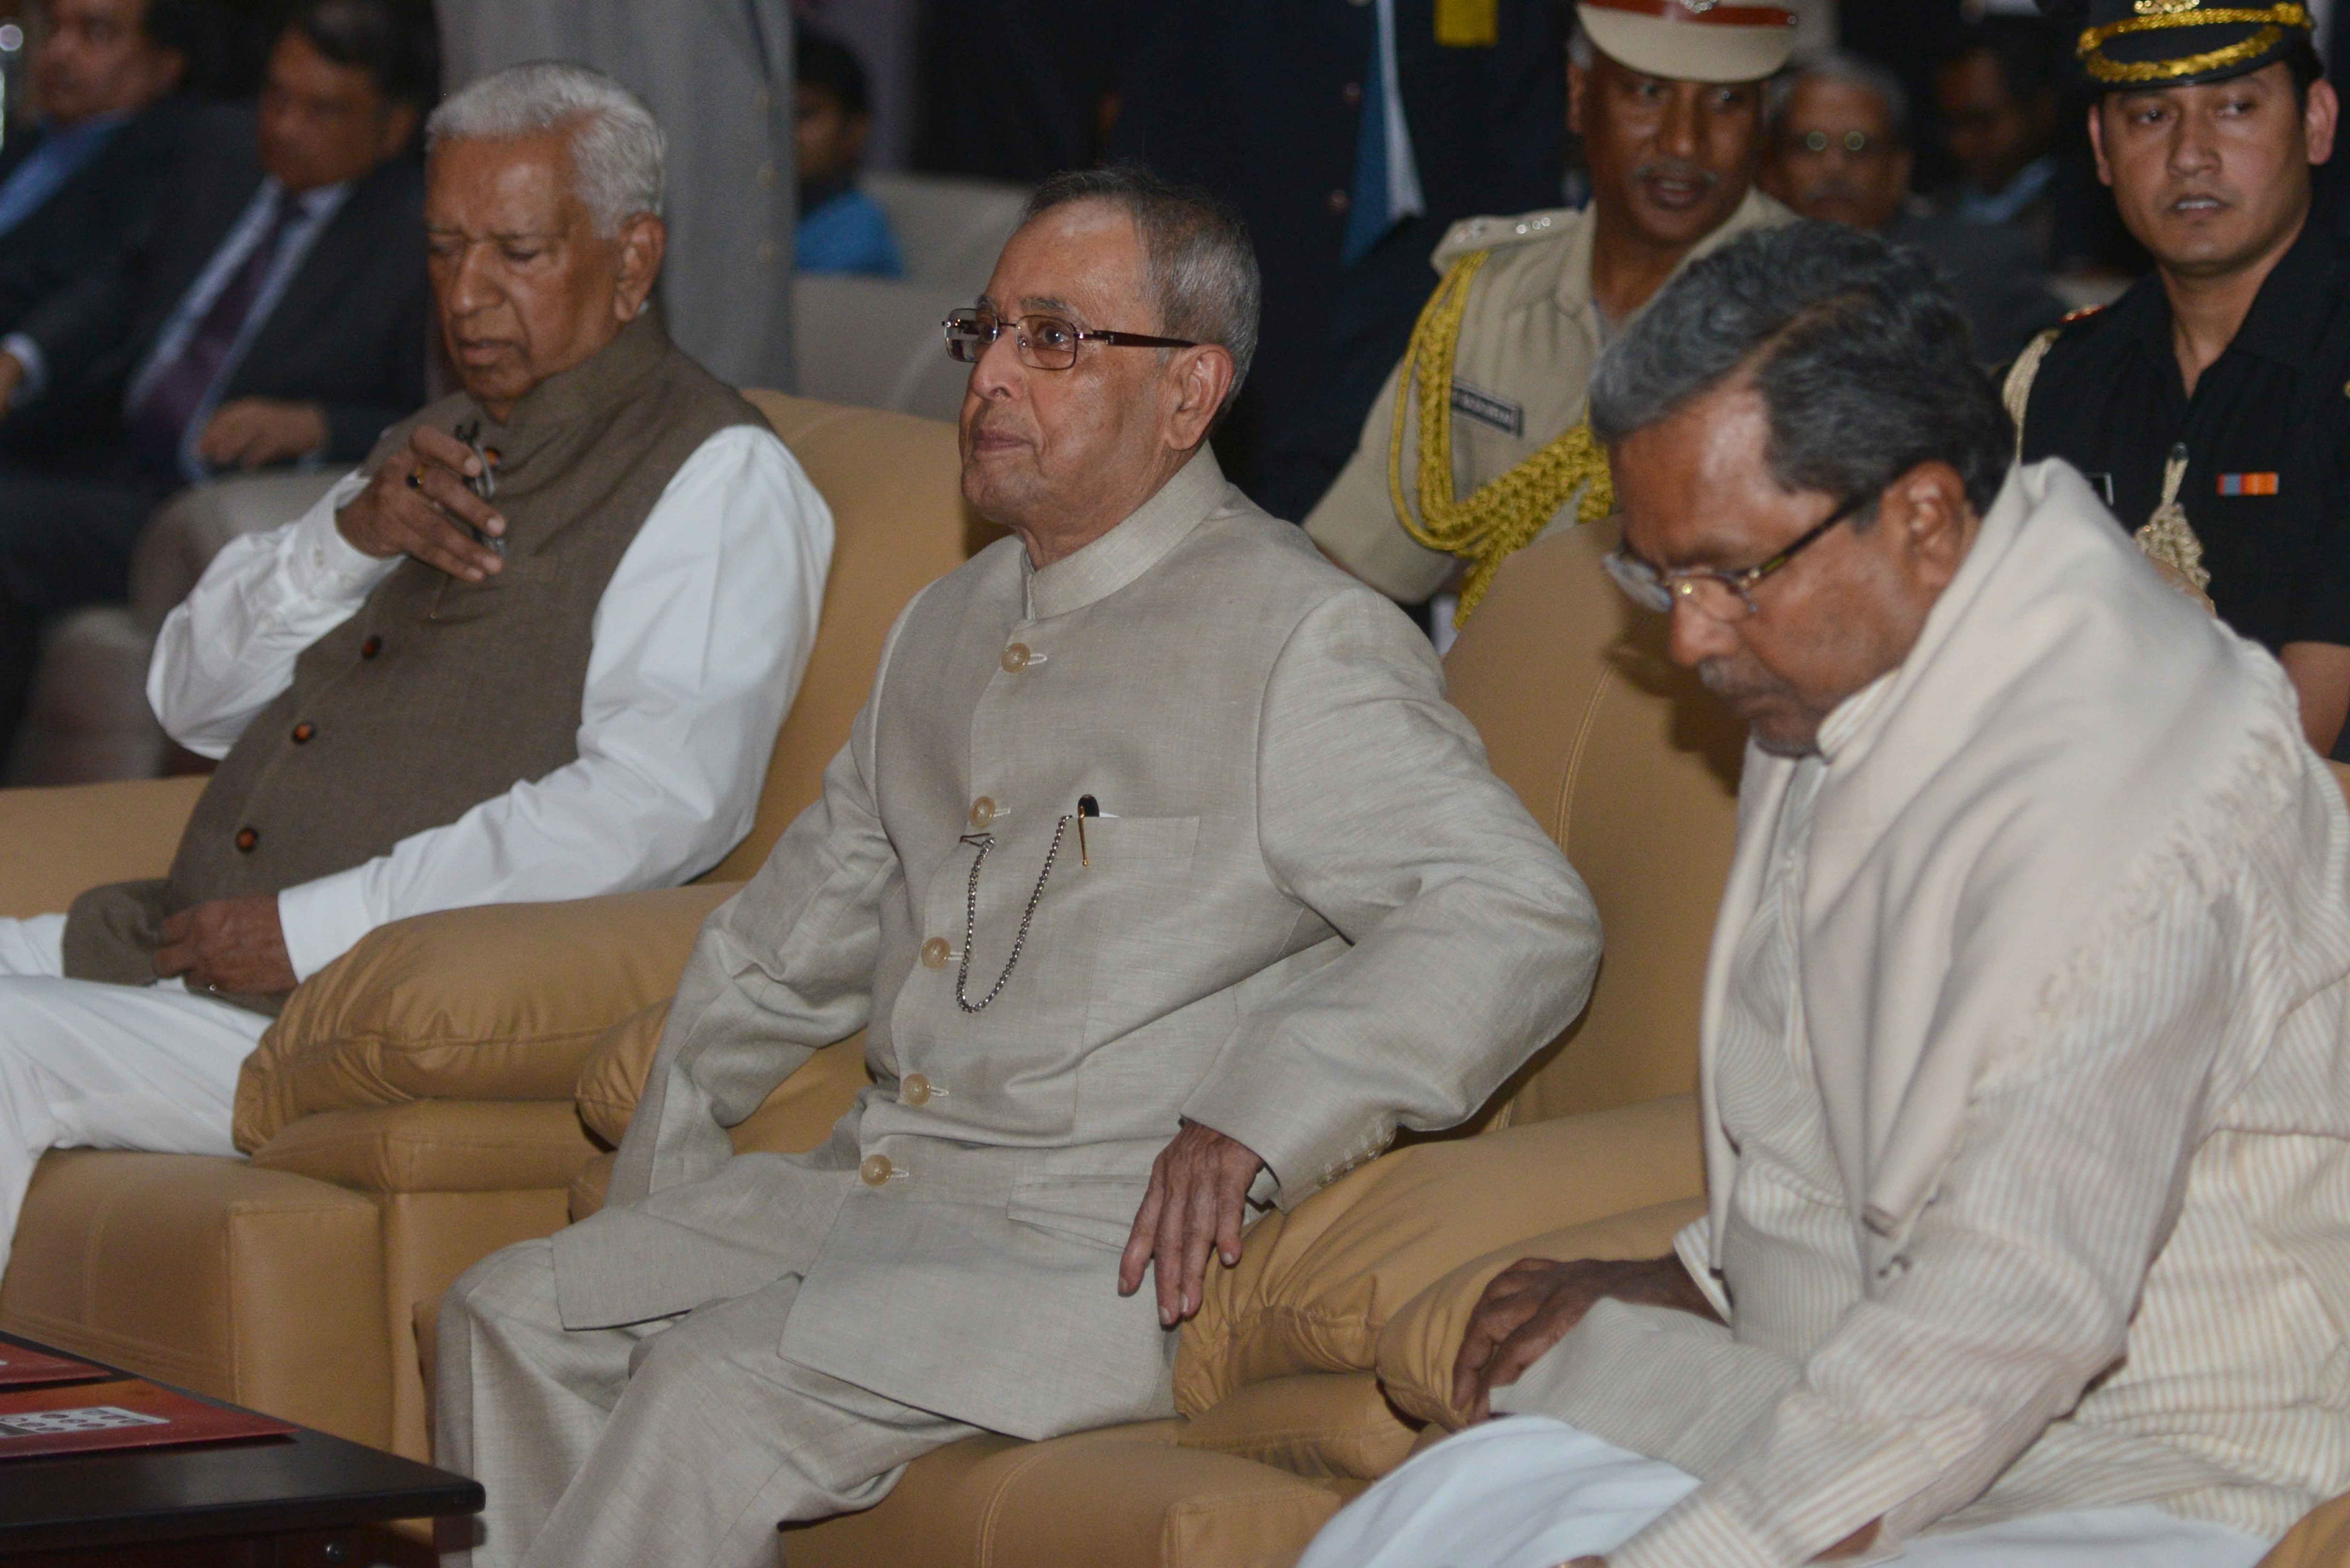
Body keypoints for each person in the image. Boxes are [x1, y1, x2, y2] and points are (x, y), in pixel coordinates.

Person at [434, 165, 1602, 1568]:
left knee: (709, 1390)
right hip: (867, 1194)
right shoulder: (947, 618)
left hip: (1080, 1251)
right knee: (509, 1306)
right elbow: (780, 943)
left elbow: (1517, 911)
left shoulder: (1302, 638)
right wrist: (663, 1204)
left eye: (1054, 339)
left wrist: (1260, 1113)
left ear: (1190, 393)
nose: (992, 376)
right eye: (984, 332)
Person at [1300, 221, 2350, 1568]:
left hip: (2155, 1460)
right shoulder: (1849, 643)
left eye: (1725, 572)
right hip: (1856, 1371)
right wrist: (1702, 1263)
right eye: (1656, 569)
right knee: (1437, 1512)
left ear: (1918, 513)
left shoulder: (2145, 790)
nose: (1687, 633)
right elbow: (1804, 1089)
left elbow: (2017, 1305)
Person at [0, 62, 834, 1279]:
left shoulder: (718, 478)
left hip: (336, 1022)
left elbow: (657, 801)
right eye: (444, 251)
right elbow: (187, 693)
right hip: (171, 956)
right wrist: (347, 539)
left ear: (634, 258)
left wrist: (317, 930)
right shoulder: (429, 439)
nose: (469, 295)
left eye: (517, 252)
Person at [0, 0, 436, 761]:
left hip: (189, 501)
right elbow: (119, 287)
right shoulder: (219, 151)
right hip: (99, 450)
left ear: (393, 127)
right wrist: (22, 357)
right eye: (277, 96)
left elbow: (432, 414)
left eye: (323, 110)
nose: (287, 127)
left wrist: (319, 423)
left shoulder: (415, 242)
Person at [1304, 0, 1795, 626]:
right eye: (1646, 92)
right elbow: (1358, 562)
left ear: (1763, 119)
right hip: (1501, 706)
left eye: (1726, 101)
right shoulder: (1488, 298)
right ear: (1577, 93)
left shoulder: (1825, 325)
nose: (1682, 141)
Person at [2015, 0, 2350, 759]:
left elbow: (2290, 750)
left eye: (2234, 107)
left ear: (2316, 122)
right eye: (2150, 116)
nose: (2190, 154)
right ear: (2101, 146)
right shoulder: (2055, 380)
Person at [1108, 0, 1569, 521]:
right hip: (1255, 268)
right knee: (1243, 505)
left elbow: (1527, 126)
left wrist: (1522, 289)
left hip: (1431, 272)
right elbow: (1160, 121)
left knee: (1393, 501)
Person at [1762, 51, 2064, 364]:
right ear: (1771, 168)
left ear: (1899, 168)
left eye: (1859, 145)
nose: (1834, 167)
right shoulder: (1747, 275)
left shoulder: (1983, 269)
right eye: (1811, 144)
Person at [0, 0, 210, 335]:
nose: (59, 51)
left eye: (95, 33)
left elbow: (81, 292)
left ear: (166, 64)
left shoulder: (167, 170)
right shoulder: (30, 139)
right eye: (55, 29)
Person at [1933, 15, 2063, 264]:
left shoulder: (2088, 218)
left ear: (2041, 111)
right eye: (1953, 124)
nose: (1962, 143)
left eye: (1983, 121)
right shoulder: (1933, 211)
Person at [793, 24, 901, 279]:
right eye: (772, 115)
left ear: (855, 130)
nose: (784, 132)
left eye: (803, 115)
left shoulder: (857, 234)